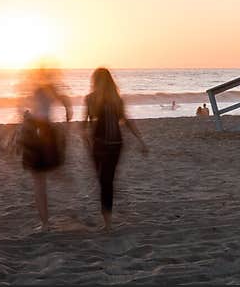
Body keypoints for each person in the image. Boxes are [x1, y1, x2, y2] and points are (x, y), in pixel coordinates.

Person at [83, 67, 148, 231]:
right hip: (114, 144)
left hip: (100, 144)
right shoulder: (116, 99)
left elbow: (85, 125)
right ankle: (108, 222)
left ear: (94, 81)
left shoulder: (91, 98)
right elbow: (126, 121)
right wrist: (141, 140)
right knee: (106, 181)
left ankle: (108, 223)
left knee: (104, 181)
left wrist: (86, 140)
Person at [15, 67, 73, 231]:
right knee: (48, 174)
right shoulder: (50, 88)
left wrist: (26, 117)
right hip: (47, 131)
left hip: (36, 132)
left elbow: (29, 112)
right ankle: (65, 180)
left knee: (39, 183)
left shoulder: (35, 89)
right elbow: (65, 101)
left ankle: (45, 224)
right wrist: (68, 114)